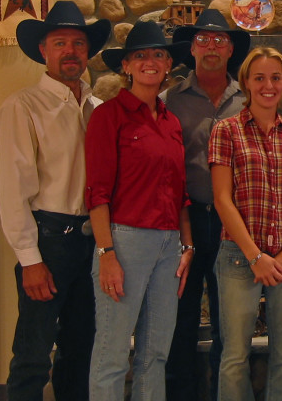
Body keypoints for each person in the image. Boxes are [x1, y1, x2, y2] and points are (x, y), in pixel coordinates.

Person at [0, 0, 110, 401]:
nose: (70, 51)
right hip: (48, 241)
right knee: (33, 354)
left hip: (91, 244)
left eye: (78, 44)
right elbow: (12, 189)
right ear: (43, 50)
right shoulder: (23, 106)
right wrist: (31, 260)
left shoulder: (97, 109)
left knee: (81, 351)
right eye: (60, 43)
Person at [85, 20, 194, 401]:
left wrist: (187, 245)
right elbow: (96, 193)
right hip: (124, 240)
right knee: (113, 353)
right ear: (126, 66)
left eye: (159, 55)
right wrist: (107, 254)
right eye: (141, 55)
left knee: (155, 354)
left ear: (168, 66)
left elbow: (180, 193)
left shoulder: (172, 123)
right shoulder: (108, 116)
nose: (151, 61)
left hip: (169, 245)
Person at [209, 47, 282, 401]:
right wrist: (256, 256)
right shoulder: (226, 131)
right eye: (259, 78)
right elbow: (223, 199)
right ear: (246, 83)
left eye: (275, 77)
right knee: (234, 353)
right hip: (240, 257)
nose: (268, 85)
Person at [162, 9, 251, 401]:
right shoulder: (169, 101)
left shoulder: (249, 101)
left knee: (227, 321)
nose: (211, 47)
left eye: (220, 40)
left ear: (231, 49)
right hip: (185, 220)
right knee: (178, 318)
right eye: (203, 40)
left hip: (235, 224)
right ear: (191, 49)